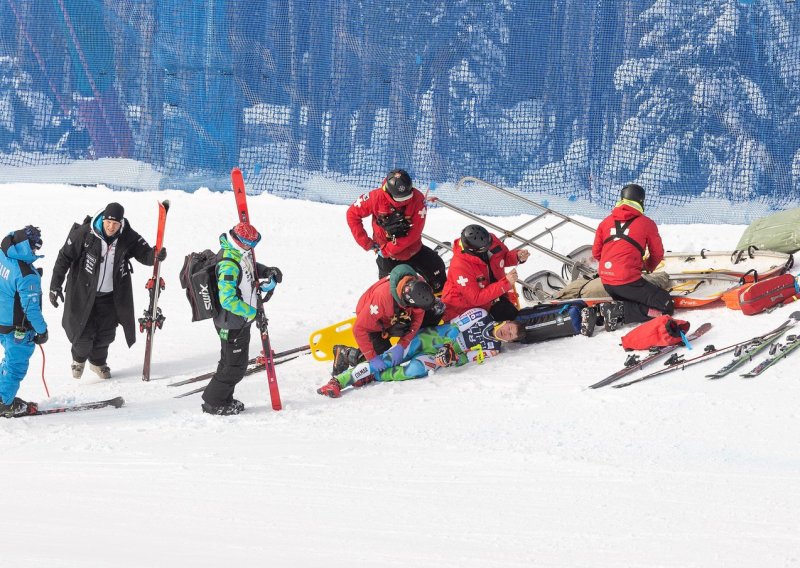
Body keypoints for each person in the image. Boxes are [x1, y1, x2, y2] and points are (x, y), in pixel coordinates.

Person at [49, 202, 166, 380]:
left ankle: (97, 363)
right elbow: (64, 257)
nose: (111, 227)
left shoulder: (127, 235)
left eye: (115, 224)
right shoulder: (85, 233)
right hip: (83, 293)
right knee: (82, 334)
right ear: (103, 220)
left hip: (110, 296)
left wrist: (155, 256)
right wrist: (55, 285)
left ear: (121, 223)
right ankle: (78, 359)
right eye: (108, 222)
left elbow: (145, 254)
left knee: (106, 334)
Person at [318, 307, 515, 398]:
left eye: (510, 336)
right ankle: (339, 381)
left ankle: (370, 376)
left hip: (440, 355)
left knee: (415, 370)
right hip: (431, 338)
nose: (507, 333)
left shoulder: (493, 350)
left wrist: (451, 359)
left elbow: (468, 358)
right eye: (509, 328)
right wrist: (447, 345)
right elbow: (456, 326)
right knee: (390, 358)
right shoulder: (482, 315)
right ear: (505, 322)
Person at [201, 222, 282, 416]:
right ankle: (213, 402)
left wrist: (267, 271)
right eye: (249, 244)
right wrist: (255, 314)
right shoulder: (228, 265)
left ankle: (224, 398)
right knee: (234, 367)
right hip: (232, 323)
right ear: (239, 241)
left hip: (240, 321)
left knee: (231, 363)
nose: (251, 248)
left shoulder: (239, 252)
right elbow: (228, 300)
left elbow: (249, 267)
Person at [346, 168, 445, 326]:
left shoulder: (418, 199)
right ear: (388, 192)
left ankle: (441, 304)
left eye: (407, 196)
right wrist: (367, 243)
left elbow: (414, 233)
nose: (404, 201)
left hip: (414, 250)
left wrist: (389, 249)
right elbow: (352, 214)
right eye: (399, 199)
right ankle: (394, 322)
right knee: (390, 295)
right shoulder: (374, 197)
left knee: (437, 268)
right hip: (388, 258)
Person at [318, 264, 435, 395]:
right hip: (374, 323)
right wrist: (372, 358)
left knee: (419, 327)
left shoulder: (420, 289)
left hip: (394, 317)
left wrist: (403, 344)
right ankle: (346, 353)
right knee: (384, 362)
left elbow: (417, 319)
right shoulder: (382, 299)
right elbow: (359, 329)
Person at [591, 184, 672, 331]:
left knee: (630, 294)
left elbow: (596, 253)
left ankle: (605, 310)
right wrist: (647, 267)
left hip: (607, 282)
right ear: (641, 201)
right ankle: (619, 311)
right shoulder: (647, 223)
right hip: (628, 281)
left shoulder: (605, 222)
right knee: (666, 305)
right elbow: (657, 254)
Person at [0, 226, 48, 417]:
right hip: (17, 328)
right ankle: (4, 403)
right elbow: (31, 309)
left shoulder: (3, 254)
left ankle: (3, 395)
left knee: (8, 361)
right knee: (15, 365)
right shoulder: (26, 274)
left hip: (2, 324)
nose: (36, 252)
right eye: (35, 248)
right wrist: (42, 331)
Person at [441, 224, 529, 323]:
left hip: (493, 298)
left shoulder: (489, 239)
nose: (489, 247)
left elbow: (503, 258)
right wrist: (505, 283)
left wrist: (517, 256)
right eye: (485, 248)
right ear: (474, 250)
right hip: (464, 310)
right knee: (509, 322)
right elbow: (476, 298)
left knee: (513, 317)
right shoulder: (459, 266)